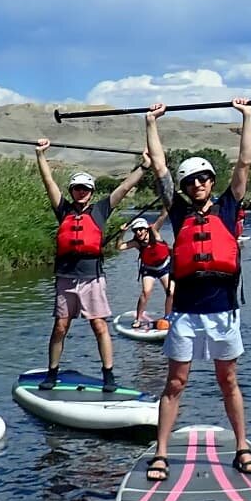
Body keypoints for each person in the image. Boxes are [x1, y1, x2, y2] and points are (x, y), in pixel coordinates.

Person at [143, 98, 251, 483]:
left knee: (228, 381)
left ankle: (242, 446)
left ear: (211, 180)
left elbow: (243, 163)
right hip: (187, 313)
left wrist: (247, 117)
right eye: (191, 181)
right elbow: (159, 167)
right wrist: (151, 123)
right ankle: (161, 452)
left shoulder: (227, 206)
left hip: (224, 312)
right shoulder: (177, 211)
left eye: (203, 178)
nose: (197, 185)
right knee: (175, 383)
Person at [36, 141, 149, 393]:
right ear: (72, 190)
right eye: (77, 188)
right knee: (60, 326)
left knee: (99, 326)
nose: (81, 192)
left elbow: (125, 186)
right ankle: (52, 372)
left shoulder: (101, 209)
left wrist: (144, 167)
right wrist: (40, 155)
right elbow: (49, 182)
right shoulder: (63, 210)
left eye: (85, 189)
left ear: (92, 191)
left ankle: (108, 374)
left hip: (92, 279)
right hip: (66, 278)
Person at [118, 211, 174, 328]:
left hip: (164, 266)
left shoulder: (155, 233)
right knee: (146, 292)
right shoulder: (137, 243)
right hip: (149, 269)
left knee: (171, 292)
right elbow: (119, 247)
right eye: (135, 230)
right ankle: (138, 319)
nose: (138, 232)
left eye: (140, 229)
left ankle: (168, 317)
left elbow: (163, 216)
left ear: (146, 229)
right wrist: (122, 233)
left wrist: (167, 203)